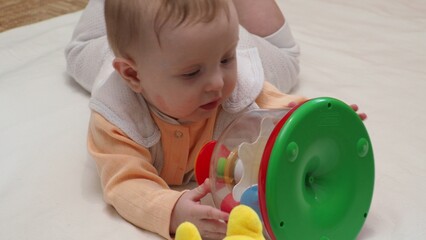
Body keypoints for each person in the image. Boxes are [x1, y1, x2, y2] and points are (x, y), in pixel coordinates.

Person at [65, 0, 363, 239]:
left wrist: (317, 121)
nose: (218, 83)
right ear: (132, 75)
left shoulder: (237, 77)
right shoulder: (117, 117)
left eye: (226, 60)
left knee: (285, 61)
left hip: (218, 34)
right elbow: (125, 183)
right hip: (114, 48)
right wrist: (171, 209)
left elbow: (278, 108)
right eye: (192, 73)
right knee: (78, 52)